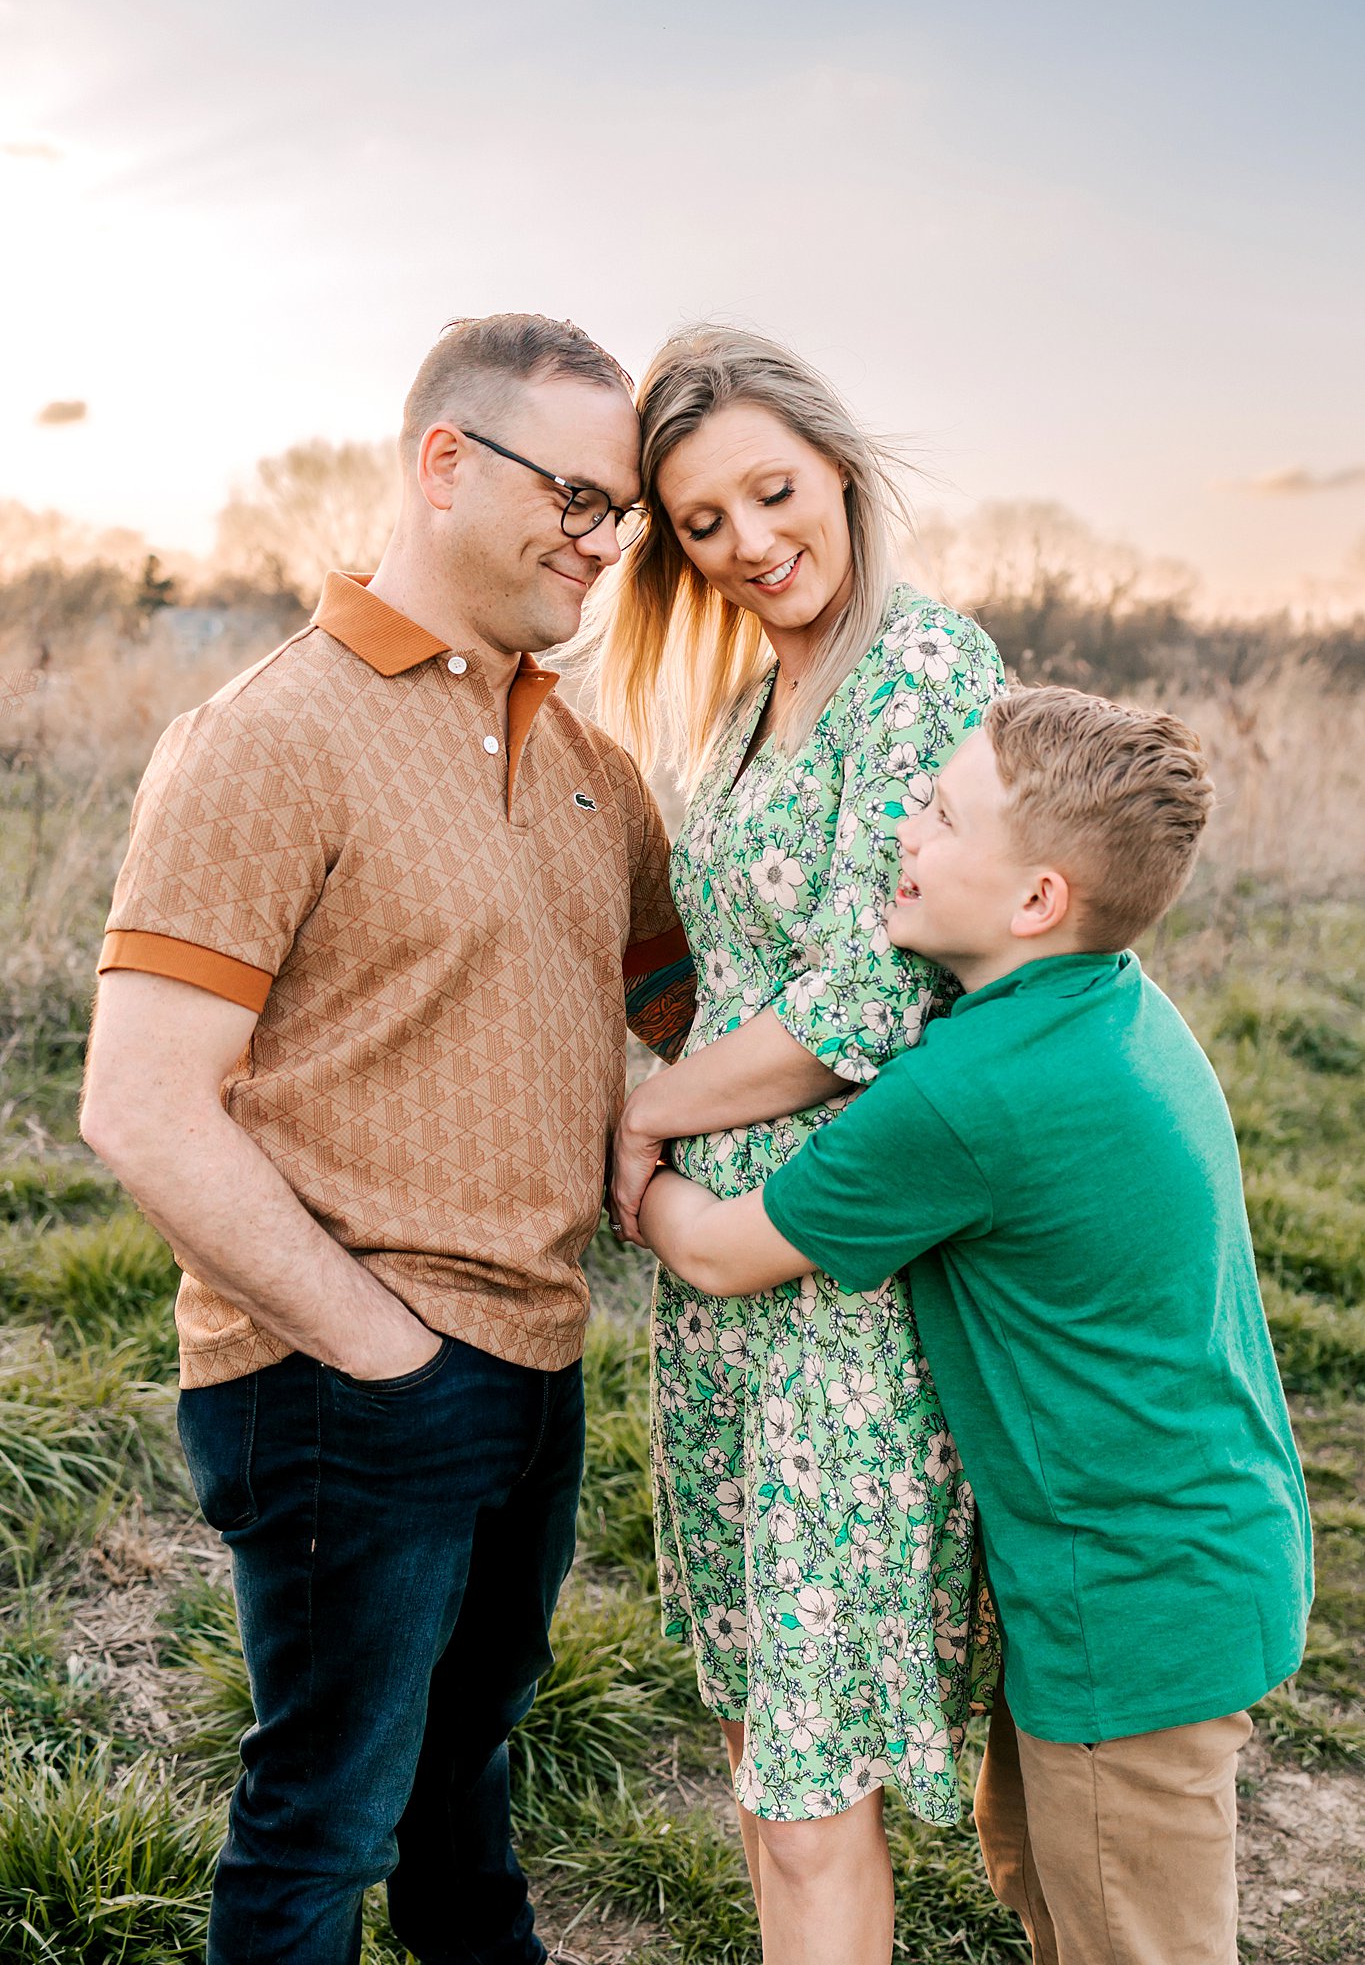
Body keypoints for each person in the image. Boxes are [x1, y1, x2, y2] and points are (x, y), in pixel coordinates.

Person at [80, 313, 695, 1965]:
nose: (602, 536)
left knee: (464, 1790)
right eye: (576, 493)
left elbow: (697, 1019)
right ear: (443, 461)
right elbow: (137, 1102)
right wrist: (379, 1347)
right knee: (321, 1827)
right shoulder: (266, 736)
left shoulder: (588, 764)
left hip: (538, 1363)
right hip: (345, 1377)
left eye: (621, 511)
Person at [638, 685, 1313, 1965]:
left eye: (941, 814)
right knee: (1062, 1902)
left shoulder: (974, 1093)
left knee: (1135, 1940)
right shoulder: (1112, 1001)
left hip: (1128, 1607)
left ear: (1036, 901)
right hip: (1181, 1559)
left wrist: (639, 1146)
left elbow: (726, 1252)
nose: (899, 823)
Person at [589, 326, 1005, 1964]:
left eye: (773, 490)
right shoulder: (762, 695)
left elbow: (869, 990)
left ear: (838, 466)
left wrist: (645, 1117)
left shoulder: (924, 665)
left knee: (818, 1785)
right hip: (724, 1298)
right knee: (770, 1762)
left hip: (838, 1283)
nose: (753, 541)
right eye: (702, 521)